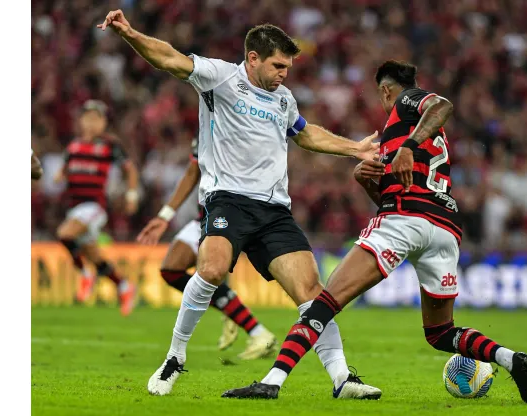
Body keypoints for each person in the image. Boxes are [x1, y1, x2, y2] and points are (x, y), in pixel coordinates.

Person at [222, 61, 527, 403]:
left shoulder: (407, 105)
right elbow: (391, 194)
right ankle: (512, 360)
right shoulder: (404, 132)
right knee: (440, 332)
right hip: (443, 230)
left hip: (407, 219)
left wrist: (408, 146)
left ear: (385, 90)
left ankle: (271, 382)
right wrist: (367, 182)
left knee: (324, 302)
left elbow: (443, 105)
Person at [98, 10, 381, 398]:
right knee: (211, 270)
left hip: (274, 210)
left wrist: (355, 149)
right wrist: (130, 33)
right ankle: (175, 356)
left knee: (312, 292)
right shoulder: (220, 77)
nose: (285, 73)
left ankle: (342, 379)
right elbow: (168, 58)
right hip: (227, 200)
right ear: (253, 58)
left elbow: (306, 134)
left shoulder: (284, 98)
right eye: (278, 65)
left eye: (289, 66)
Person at [137, 138, 276, 360]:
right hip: (205, 217)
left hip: (232, 216)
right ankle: (230, 306)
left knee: (211, 271)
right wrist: (165, 215)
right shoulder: (205, 127)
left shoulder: (244, 126)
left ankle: (258, 332)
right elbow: (193, 172)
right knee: (171, 270)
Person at [54, 100, 139, 316]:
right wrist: (58, 176)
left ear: (104, 122)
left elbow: (130, 170)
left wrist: (131, 195)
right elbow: (63, 170)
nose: (91, 123)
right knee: (93, 255)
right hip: (74, 207)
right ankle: (123, 285)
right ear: (80, 121)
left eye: (96, 118)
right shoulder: (73, 147)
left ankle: (85, 274)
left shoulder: (110, 145)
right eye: (87, 118)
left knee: (65, 234)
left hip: (94, 207)